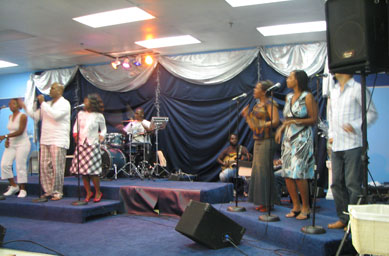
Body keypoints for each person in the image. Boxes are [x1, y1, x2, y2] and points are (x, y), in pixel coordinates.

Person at [327, 73, 378, 229]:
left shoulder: (358, 89)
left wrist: (355, 126)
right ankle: (343, 218)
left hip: (353, 144)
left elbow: (372, 113)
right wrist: (331, 134)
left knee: (352, 184)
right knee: (336, 184)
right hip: (337, 145)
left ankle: (354, 222)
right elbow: (330, 115)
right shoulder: (334, 91)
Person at [275, 70, 317, 220]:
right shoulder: (289, 97)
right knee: (287, 173)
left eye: (290, 77)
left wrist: (295, 121)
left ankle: (306, 207)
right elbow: (287, 118)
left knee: (299, 173)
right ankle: (296, 206)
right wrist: (281, 129)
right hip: (288, 138)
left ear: (298, 80)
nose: (287, 79)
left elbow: (314, 119)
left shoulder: (308, 97)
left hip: (302, 138)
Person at [19, 82, 71, 200]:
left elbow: (55, 116)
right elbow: (36, 116)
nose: (50, 90)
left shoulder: (64, 103)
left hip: (58, 139)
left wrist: (42, 103)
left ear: (60, 90)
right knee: (44, 167)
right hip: (45, 139)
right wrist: (26, 107)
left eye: (53, 88)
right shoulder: (47, 104)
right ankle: (48, 191)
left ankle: (57, 192)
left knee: (57, 166)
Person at [242, 80, 280, 212]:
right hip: (257, 140)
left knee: (265, 171)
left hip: (267, 140)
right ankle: (262, 201)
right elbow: (253, 126)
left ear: (263, 92)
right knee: (258, 172)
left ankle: (269, 203)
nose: (254, 90)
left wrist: (263, 125)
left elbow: (275, 121)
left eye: (257, 88)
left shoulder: (270, 104)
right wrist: (246, 116)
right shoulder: (257, 106)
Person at [70, 94, 106, 203]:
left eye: (87, 101)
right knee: (83, 171)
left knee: (92, 171)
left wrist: (101, 136)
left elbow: (104, 129)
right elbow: (75, 127)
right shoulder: (80, 114)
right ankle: (88, 192)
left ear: (92, 103)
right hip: (81, 144)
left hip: (93, 143)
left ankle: (98, 191)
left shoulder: (99, 116)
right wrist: (75, 135)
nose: (85, 103)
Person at [0, 98, 31, 197]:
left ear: (18, 106)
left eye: (12, 104)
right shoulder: (10, 116)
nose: (10, 105)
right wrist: (8, 140)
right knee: (4, 164)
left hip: (23, 144)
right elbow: (11, 131)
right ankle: (13, 186)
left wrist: (5, 137)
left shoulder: (23, 116)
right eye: (9, 104)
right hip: (12, 144)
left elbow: (20, 131)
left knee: (20, 166)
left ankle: (22, 189)